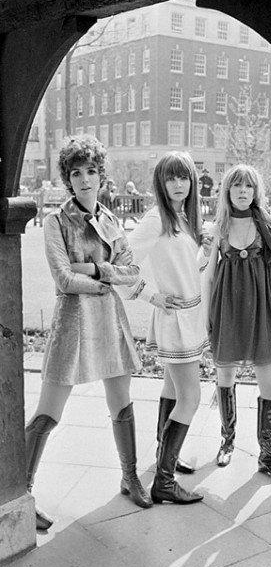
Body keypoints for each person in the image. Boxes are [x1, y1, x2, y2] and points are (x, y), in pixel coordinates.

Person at [25, 134, 153, 531]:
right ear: (67, 178)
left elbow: (132, 272)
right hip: (73, 323)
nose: (84, 179)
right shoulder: (55, 221)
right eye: (76, 173)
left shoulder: (111, 219)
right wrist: (101, 283)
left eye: (91, 171)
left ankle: (129, 476)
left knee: (122, 402)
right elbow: (63, 279)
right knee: (48, 411)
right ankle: (19, 492)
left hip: (109, 322)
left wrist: (96, 270)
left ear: (102, 176)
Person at [122, 151, 211, 504]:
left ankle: (164, 460)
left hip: (189, 317)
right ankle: (165, 480)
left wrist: (203, 250)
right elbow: (122, 262)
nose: (178, 184)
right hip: (175, 319)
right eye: (171, 178)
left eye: (184, 177)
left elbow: (188, 269)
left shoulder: (182, 218)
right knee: (191, 397)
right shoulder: (156, 218)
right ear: (161, 183)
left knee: (174, 390)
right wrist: (149, 295)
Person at [203, 164, 271, 485]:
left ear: (256, 192)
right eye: (237, 186)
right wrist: (209, 319)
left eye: (249, 186)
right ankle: (227, 439)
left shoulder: (268, 226)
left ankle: (267, 453)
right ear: (227, 191)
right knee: (225, 375)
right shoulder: (219, 227)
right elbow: (210, 275)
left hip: (262, 311)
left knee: (268, 382)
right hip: (228, 308)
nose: (243, 191)